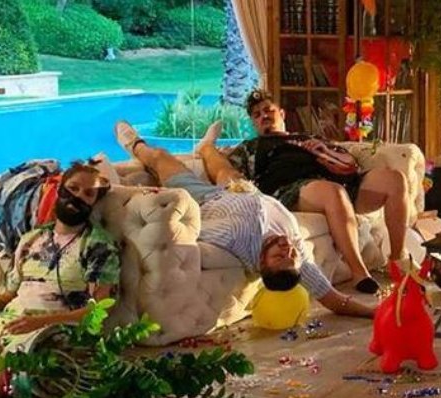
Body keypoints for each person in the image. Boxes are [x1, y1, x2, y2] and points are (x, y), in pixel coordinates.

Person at [113, 121, 377, 321]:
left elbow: (192, 230)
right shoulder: (294, 259)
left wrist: (166, 204)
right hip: (244, 191)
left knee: (161, 158)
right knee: (223, 167)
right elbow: (334, 300)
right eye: (292, 255)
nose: (287, 248)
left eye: (279, 256)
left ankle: (134, 144)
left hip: (204, 198)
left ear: (262, 262)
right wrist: (375, 312)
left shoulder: (236, 238)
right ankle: (205, 147)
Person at [0, 164, 120, 398]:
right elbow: (2, 302)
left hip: (52, 333)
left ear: (94, 202)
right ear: (59, 190)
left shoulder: (98, 246)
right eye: (73, 188)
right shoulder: (31, 240)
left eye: (88, 194)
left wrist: (39, 323)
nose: (77, 196)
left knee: (14, 364)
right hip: (7, 324)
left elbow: (99, 310)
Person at [205, 89, 413, 294]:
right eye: (257, 115)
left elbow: (350, 162)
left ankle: (397, 260)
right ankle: (359, 272)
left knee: (394, 180)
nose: (264, 116)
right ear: (254, 123)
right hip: (292, 188)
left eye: (268, 110)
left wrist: (326, 153)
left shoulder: (309, 137)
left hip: (338, 180)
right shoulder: (250, 147)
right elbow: (226, 172)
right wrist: (211, 151)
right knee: (333, 192)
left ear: (282, 114)